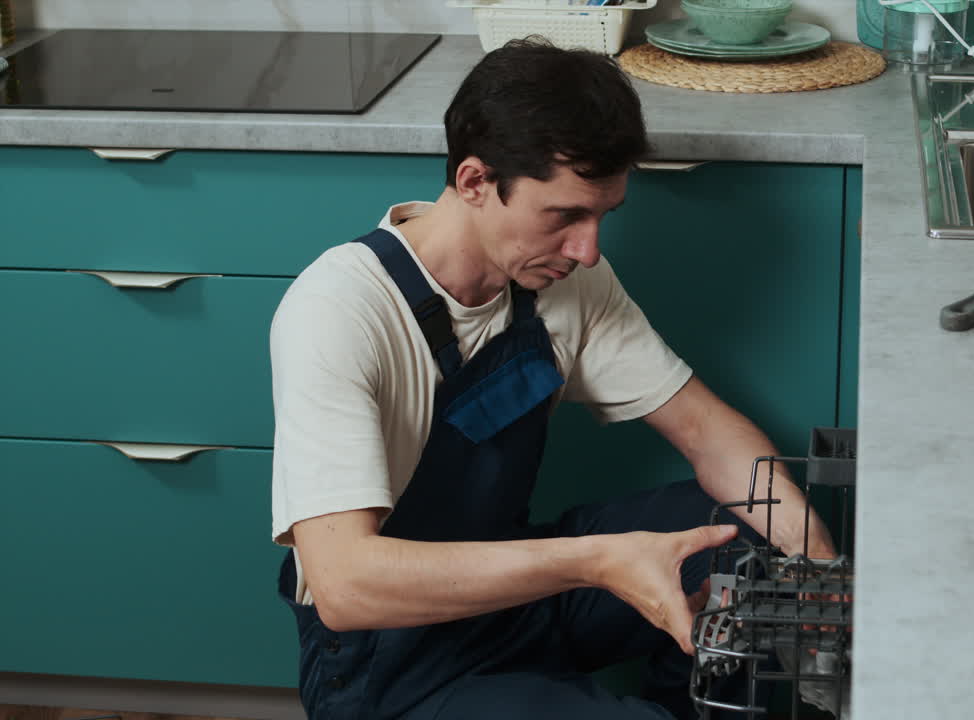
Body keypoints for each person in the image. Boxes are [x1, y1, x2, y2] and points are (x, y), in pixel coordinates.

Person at [269, 37, 836, 719]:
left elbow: (704, 429)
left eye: (602, 217)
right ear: (475, 181)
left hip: (516, 600)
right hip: (389, 664)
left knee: (748, 534)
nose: (588, 249)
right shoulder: (339, 309)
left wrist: (816, 570)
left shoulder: (561, 280)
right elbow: (345, 585)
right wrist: (595, 561)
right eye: (565, 216)